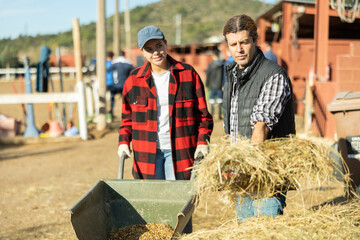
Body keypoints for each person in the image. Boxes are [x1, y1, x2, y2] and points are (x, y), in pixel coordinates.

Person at [117, 25, 213, 233]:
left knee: (180, 205)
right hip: (146, 154)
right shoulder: (133, 80)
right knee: (152, 206)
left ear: (166, 44)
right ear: (141, 52)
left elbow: (204, 116)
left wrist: (202, 141)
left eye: (159, 45)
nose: (156, 52)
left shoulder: (187, 75)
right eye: (149, 49)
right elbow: (127, 119)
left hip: (179, 151)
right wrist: (124, 141)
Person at [222, 15, 295, 221]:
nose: (239, 49)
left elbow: (261, 125)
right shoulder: (232, 75)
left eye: (244, 42)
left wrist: (251, 169)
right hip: (242, 176)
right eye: (233, 44)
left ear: (255, 40)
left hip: (266, 177)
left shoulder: (273, 75)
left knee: (265, 231)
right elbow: (233, 128)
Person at [106, 50, 135, 122]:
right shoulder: (128, 63)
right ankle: (131, 114)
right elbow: (135, 71)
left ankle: (111, 112)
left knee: (112, 98)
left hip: (115, 85)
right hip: (126, 86)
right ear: (124, 55)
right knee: (128, 99)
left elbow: (108, 70)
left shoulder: (115, 64)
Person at [205, 50, 225, 119]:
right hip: (220, 85)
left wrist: (207, 85)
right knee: (220, 100)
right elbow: (224, 76)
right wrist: (223, 84)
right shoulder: (222, 65)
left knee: (212, 100)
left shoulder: (211, 65)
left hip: (212, 86)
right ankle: (219, 115)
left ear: (214, 56)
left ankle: (212, 114)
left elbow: (208, 75)